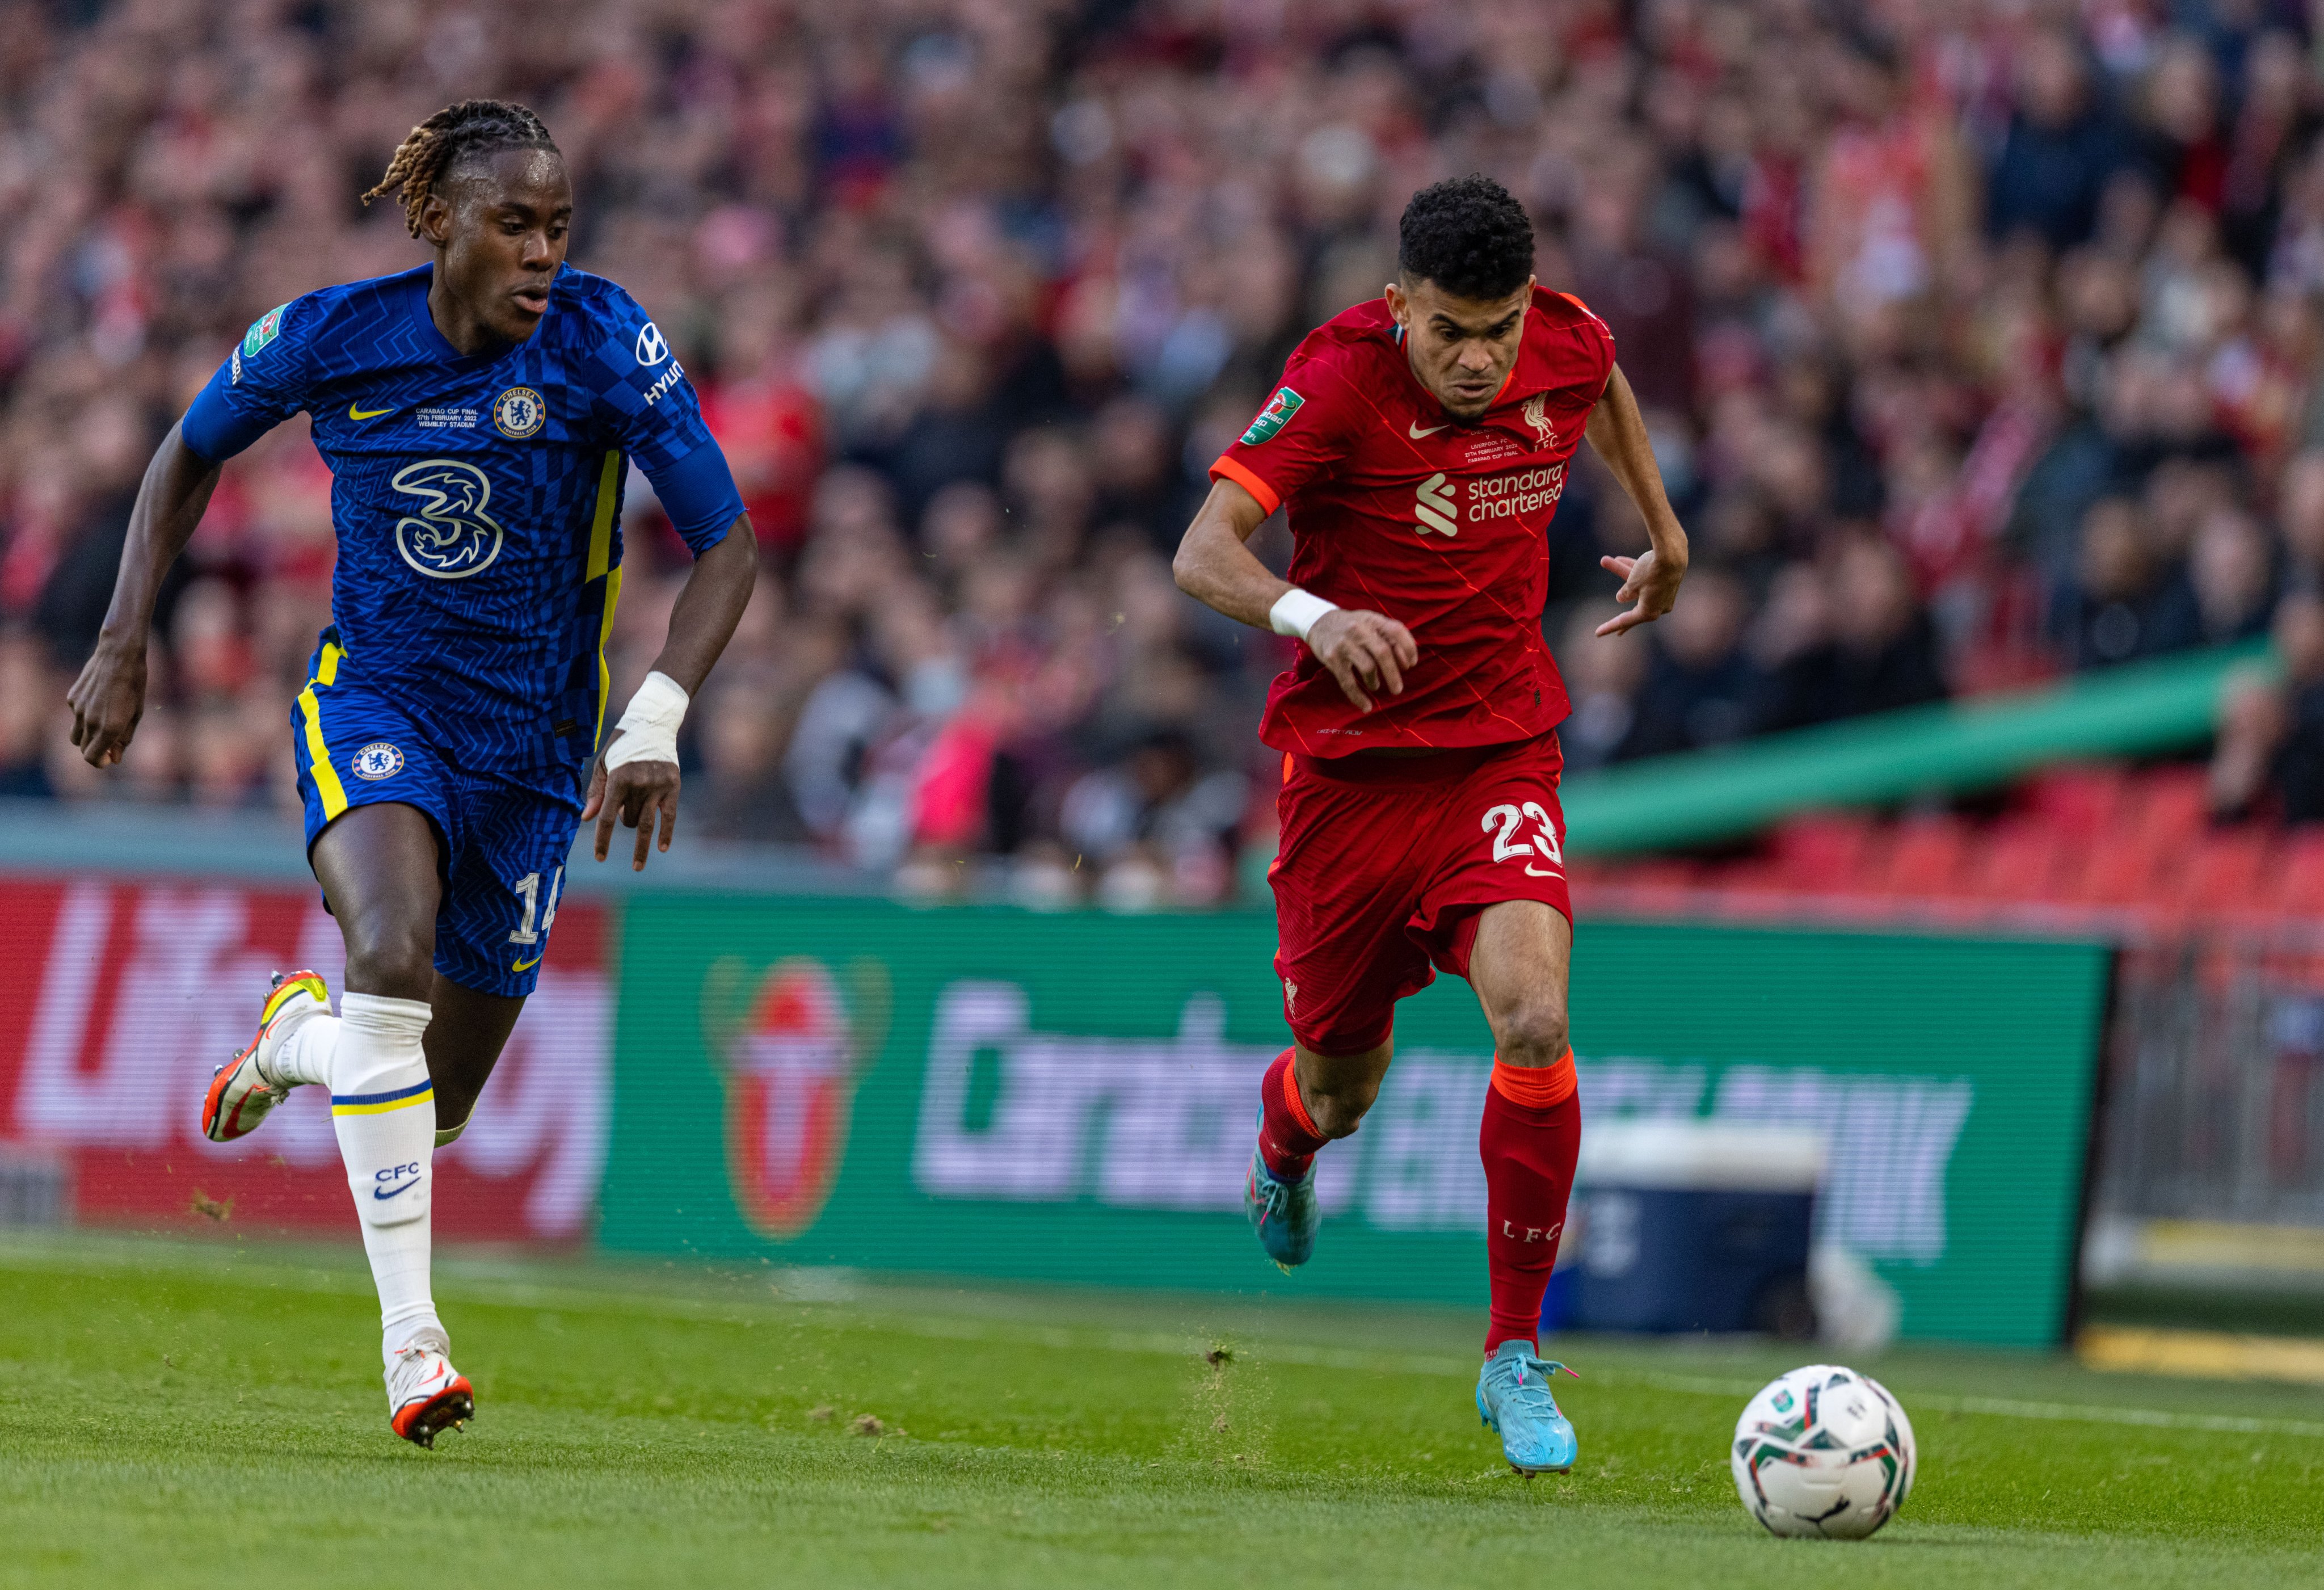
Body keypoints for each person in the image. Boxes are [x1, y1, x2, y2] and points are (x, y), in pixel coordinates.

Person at [64, 100, 757, 1448]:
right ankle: (413, 1349)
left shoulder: (607, 340)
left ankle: (290, 1040)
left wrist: (657, 715)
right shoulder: (330, 335)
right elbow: (187, 451)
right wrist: (123, 634)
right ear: (438, 220)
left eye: (559, 225)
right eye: (515, 224)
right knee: (390, 948)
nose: (544, 252)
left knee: (425, 1107)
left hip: (539, 755)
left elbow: (724, 542)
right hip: (376, 705)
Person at [1172, 174, 1688, 1475]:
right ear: (1397, 303)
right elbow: (1201, 551)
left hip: (1498, 753)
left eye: (1497, 330)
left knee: (1533, 1017)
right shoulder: (1338, 379)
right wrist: (1311, 616)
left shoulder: (1562, 338)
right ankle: (1285, 1139)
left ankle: (1512, 1353)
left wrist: (1664, 535)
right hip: (1347, 783)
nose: (1477, 359)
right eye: (1448, 330)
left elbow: (1600, 382)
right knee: (1341, 1087)